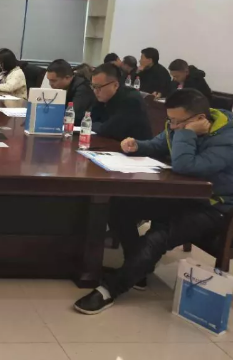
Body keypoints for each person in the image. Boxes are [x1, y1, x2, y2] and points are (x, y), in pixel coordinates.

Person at [75, 89, 233, 314]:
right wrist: (137, 145)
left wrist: (186, 133)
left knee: (157, 236)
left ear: (199, 118)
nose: (173, 126)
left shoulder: (226, 139)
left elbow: (185, 166)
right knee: (119, 204)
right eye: (170, 121)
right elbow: (160, 144)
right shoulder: (181, 125)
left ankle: (110, 289)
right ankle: (137, 270)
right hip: (183, 196)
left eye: (178, 122)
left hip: (214, 207)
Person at [89, 63, 153, 141]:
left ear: (115, 85)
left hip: (135, 147)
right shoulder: (102, 97)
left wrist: (93, 125)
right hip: (110, 142)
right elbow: (89, 119)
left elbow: (109, 129)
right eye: (93, 86)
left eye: (98, 87)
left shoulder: (132, 100)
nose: (95, 91)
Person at [47, 59, 96, 125]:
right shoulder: (63, 88)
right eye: (49, 80)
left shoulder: (82, 88)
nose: (50, 84)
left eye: (54, 81)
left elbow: (73, 115)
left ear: (67, 78)